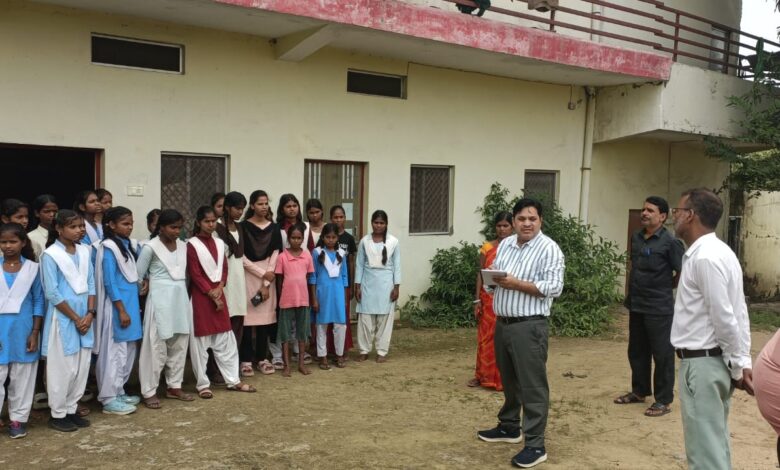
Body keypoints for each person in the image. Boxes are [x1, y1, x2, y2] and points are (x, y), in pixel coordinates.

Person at [477, 198, 565, 469]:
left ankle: (535, 444)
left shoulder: (549, 249)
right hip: (503, 323)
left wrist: (516, 284)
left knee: (532, 385)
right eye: (522, 219)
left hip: (529, 326)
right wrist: (492, 282)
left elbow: (554, 287)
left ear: (540, 221)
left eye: (532, 219)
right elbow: (495, 277)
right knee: (509, 380)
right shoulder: (505, 244)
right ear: (513, 221)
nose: (527, 223)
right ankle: (509, 426)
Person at [670, 188, 753, 470]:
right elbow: (739, 311)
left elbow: (725, 317)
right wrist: (742, 360)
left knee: (705, 452)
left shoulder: (705, 258)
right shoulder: (721, 253)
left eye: (678, 210)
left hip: (703, 365)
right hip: (711, 362)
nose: (674, 216)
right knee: (714, 444)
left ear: (690, 215)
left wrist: (739, 365)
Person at [614, 196, 684, 417]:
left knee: (662, 354)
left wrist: (666, 285)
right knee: (637, 351)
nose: (644, 213)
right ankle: (639, 391)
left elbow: (682, 271)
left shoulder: (670, 242)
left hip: (659, 307)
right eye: (643, 209)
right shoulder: (636, 237)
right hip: (637, 304)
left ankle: (663, 400)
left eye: (650, 210)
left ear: (662, 216)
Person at [187, 206, 255, 397]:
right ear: (198, 222)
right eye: (206, 221)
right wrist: (211, 292)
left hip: (218, 293)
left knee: (226, 338)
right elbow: (195, 273)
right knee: (200, 342)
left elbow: (224, 268)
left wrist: (220, 287)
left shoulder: (219, 243)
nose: (210, 225)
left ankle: (233, 380)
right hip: (202, 297)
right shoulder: (192, 244)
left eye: (213, 221)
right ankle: (203, 384)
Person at [41, 209, 96, 432]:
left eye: (81, 226)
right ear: (59, 229)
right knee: (63, 367)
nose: (79, 230)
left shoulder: (84, 251)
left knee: (82, 366)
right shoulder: (50, 255)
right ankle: (58, 413)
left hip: (85, 316)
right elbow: (52, 293)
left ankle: (72, 408)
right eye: (73, 227)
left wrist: (90, 314)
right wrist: (75, 318)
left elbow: (91, 284)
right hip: (64, 317)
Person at [137, 209, 194, 409]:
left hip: (180, 298)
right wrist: (145, 283)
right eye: (173, 227)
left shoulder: (184, 246)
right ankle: (149, 390)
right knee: (155, 345)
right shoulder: (150, 248)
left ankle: (174, 386)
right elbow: (138, 274)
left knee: (179, 342)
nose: (177, 231)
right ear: (161, 227)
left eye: (179, 227)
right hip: (159, 299)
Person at [94, 207, 143, 415]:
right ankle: (108, 398)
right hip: (117, 307)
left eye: (131, 223)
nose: (129, 227)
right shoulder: (108, 248)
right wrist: (121, 310)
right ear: (111, 225)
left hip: (130, 304)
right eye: (125, 223)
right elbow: (110, 282)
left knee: (128, 351)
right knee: (114, 353)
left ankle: (119, 390)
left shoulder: (126, 245)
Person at [0, 223, 44, 439]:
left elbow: (38, 301)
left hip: (24, 329)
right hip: (1, 329)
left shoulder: (32, 269)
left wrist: (35, 332)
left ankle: (18, 419)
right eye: (3, 242)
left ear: (23, 243)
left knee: (23, 376)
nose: (8, 246)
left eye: (13, 241)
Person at [468, 211, 513, 390]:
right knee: (485, 338)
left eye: (506, 226)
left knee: (504, 339)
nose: (502, 229)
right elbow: (480, 273)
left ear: (512, 227)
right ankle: (482, 376)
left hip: (508, 298)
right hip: (488, 300)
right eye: (499, 226)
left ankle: (503, 380)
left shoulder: (516, 248)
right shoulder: (487, 248)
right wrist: (477, 300)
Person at [240, 191, 282, 375]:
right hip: (248, 276)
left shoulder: (274, 228)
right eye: (260, 203)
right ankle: (246, 360)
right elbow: (241, 256)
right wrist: (261, 273)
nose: (264, 207)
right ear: (252, 206)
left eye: (266, 203)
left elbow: (275, 254)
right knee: (247, 321)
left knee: (265, 320)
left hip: (268, 278)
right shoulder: (242, 227)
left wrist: (266, 281)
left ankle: (262, 359)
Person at [354, 210, 400, 363]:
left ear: (386, 224)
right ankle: (364, 350)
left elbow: (397, 266)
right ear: (371, 223)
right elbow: (359, 264)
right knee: (365, 319)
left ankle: (382, 351)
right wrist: (357, 286)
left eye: (381, 223)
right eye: (376, 222)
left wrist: (396, 287)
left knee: (384, 320)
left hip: (386, 284)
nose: (378, 225)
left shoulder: (393, 241)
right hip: (368, 282)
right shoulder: (364, 241)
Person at [274, 223, 314, 376]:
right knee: (285, 334)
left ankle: (301, 364)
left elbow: (308, 277)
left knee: (302, 333)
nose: (296, 241)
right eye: (293, 238)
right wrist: (280, 298)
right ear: (288, 239)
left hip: (303, 299)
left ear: (303, 239)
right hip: (286, 300)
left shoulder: (307, 255)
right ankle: (286, 365)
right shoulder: (282, 257)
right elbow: (279, 280)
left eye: (299, 238)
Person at [310, 223, 349, 370]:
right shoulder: (317, 252)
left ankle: (339, 355)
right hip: (323, 294)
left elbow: (344, 277)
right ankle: (323, 356)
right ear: (323, 237)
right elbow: (313, 276)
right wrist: (314, 299)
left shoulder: (341, 253)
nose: (331, 240)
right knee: (321, 325)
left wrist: (345, 297)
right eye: (328, 237)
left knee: (340, 325)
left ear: (337, 238)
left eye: (333, 237)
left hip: (338, 294)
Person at [215, 192, 248, 360]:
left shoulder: (240, 227)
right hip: (223, 281)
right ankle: (217, 366)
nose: (240, 212)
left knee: (237, 320)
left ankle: (233, 363)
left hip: (238, 280)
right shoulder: (215, 227)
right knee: (222, 322)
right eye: (237, 208)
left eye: (242, 209)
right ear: (227, 208)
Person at [331, 205, 356, 355]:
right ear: (331, 219)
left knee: (342, 315)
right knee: (329, 315)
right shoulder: (327, 236)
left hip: (343, 283)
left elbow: (351, 262)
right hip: (329, 284)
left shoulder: (349, 238)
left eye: (341, 217)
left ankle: (343, 348)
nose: (338, 220)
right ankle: (329, 348)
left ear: (345, 218)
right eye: (335, 217)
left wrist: (351, 285)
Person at [28, 194, 58, 260]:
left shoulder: (63, 234)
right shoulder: (30, 237)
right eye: (46, 211)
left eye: (55, 211)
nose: (52, 214)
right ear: (37, 213)